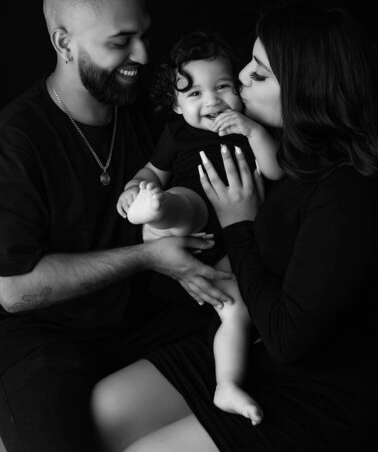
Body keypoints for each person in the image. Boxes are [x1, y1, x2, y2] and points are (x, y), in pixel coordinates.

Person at [91, 2, 378, 452]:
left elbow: (286, 337)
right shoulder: (283, 151)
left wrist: (239, 223)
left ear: (306, 88)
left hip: (315, 388)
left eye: (260, 73)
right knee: (102, 409)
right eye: (249, 64)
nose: (241, 79)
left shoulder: (348, 193)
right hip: (248, 349)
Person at [0, 0, 235, 452]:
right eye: (120, 41)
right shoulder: (16, 139)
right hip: (41, 338)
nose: (143, 53)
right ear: (64, 44)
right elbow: (14, 290)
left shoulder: (144, 110)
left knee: (264, 359)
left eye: (143, 34)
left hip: (138, 318)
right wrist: (149, 258)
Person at [116, 31, 283, 426]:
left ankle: (226, 384)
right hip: (181, 221)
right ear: (175, 104)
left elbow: (275, 168)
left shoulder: (251, 127)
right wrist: (134, 188)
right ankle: (153, 208)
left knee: (236, 309)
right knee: (185, 201)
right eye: (194, 94)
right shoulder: (177, 135)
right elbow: (151, 171)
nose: (211, 101)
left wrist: (254, 131)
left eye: (222, 87)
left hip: (226, 246)